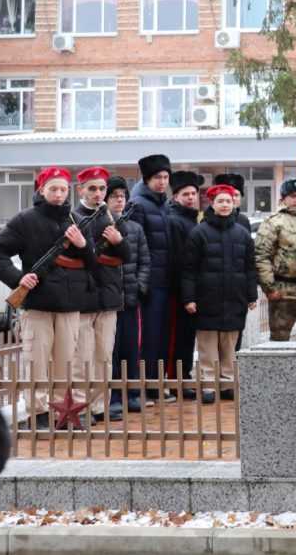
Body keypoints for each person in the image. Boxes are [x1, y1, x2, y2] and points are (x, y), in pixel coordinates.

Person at [0, 167, 94, 430]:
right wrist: (17, 278)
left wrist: (82, 245)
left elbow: (93, 262)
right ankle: (37, 413)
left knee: (65, 362)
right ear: (41, 190)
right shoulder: (25, 220)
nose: (58, 194)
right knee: (36, 361)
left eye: (62, 189)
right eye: (52, 189)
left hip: (70, 305)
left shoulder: (77, 221)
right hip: (38, 305)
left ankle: (60, 411)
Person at [180, 184, 258, 403]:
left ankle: (227, 383)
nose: (225, 205)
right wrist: (189, 298)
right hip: (207, 298)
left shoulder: (242, 233)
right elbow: (189, 269)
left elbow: (250, 267)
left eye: (229, 201)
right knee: (207, 346)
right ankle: (208, 385)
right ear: (211, 205)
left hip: (235, 298)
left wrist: (251, 295)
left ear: (234, 204)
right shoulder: (199, 233)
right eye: (220, 201)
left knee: (229, 345)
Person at [73, 166, 131, 422]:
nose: (98, 193)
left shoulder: (112, 217)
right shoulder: (72, 217)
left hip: (108, 294)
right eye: (92, 188)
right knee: (81, 356)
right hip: (83, 295)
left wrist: (119, 240)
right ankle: (79, 406)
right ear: (81, 190)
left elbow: (127, 256)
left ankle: (100, 405)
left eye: (101, 189)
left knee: (103, 355)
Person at [129, 153, 175, 402]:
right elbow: (135, 245)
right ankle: (143, 387)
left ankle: (157, 385)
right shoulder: (137, 204)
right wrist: (141, 281)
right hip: (149, 283)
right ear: (146, 179)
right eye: (157, 177)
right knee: (147, 336)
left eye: (166, 177)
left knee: (161, 336)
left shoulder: (163, 204)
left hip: (164, 280)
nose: (162, 182)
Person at [255, 178, 296, 343]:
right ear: (283, 199)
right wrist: (269, 288)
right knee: (279, 341)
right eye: (292, 196)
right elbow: (262, 256)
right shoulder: (273, 222)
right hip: (283, 292)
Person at [105, 176, 150, 415]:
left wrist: (139, 287)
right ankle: (112, 397)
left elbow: (145, 262)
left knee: (132, 351)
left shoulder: (135, 228)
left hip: (131, 301)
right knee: (111, 352)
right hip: (108, 303)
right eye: (114, 196)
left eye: (123, 196)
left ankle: (132, 393)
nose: (120, 200)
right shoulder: (98, 227)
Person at [167, 169, 204, 392]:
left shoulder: (193, 219)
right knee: (179, 337)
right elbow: (180, 259)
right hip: (180, 289)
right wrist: (186, 292)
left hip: (192, 287)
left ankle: (185, 376)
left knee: (189, 337)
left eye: (193, 193)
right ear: (175, 197)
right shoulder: (175, 221)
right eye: (186, 194)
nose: (191, 197)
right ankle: (177, 380)